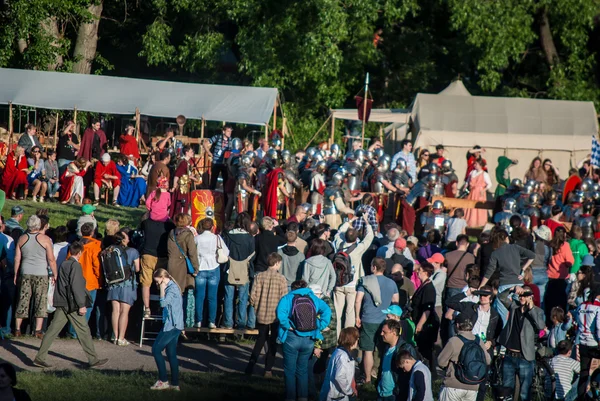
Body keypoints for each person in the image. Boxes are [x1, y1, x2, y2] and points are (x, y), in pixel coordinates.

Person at [33, 241, 108, 369]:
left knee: (52, 330)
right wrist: (81, 304)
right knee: (84, 331)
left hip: (62, 302)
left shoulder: (64, 264)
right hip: (72, 304)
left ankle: (40, 357)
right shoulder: (76, 266)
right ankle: (93, 359)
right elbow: (76, 287)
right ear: (79, 253)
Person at [276, 280, 331, 401]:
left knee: (290, 370)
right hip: (309, 338)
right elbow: (327, 311)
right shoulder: (313, 298)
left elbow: (280, 314)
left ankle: (290, 397)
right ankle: (303, 397)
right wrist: (320, 325)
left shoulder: (288, 298)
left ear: (293, 288)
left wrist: (288, 325)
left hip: (291, 336)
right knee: (303, 370)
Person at [497, 285, 546, 401]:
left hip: (525, 357)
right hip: (510, 355)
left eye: (525, 295)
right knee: (507, 390)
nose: (522, 297)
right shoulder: (514, 306)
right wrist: (512, 289)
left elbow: (540, 326)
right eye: (520, 295)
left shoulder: (538, 311)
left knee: (525, 392)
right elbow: (501, 297)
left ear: (531, 297)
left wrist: (531, 308)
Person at [355, 257, 399, 385]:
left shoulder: (365, 281)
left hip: (368, 319)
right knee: (382, 349)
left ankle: (367, 378)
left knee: (367, 350)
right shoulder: (392, 283)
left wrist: (357, 316)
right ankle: (381, 375)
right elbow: (396, 302)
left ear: (374, 267)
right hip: (385, 320)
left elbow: (358, 300)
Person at [13, 215, 58, 338]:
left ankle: (17, 329)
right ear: (39, 225)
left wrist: (16, 273)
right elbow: (51, 259)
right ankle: (38, 330)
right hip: (41, 273)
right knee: (41, 300)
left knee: (23, 300)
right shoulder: (45, 239)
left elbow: (17, 258)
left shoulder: (22, 238)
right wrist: (55, 273)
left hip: (25, 272)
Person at [480, 229, 535, 325]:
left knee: (503, 318)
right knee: (519, 314)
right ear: (506, 238)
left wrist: (481, 286)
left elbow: (489, 272)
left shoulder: (495, 253)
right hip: (519, 285)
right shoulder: (515, 248)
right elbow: (532, 255)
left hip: (505, 286)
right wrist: (523, 269)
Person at [246, 253, 288, 377]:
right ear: (276, 263)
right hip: (275, 316)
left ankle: (250, 366)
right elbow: (284, 299)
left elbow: (252, 296)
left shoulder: (259, 276)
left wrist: (256, 306)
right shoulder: (281, 279)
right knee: (273, 343)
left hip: (261, 313)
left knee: (260, 340)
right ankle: (268, 369)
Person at [333, 216, 374, 335]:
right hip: (352, 284)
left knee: (337, 311)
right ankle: (347, 338)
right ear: (356, 238)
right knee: (349, 312)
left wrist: (349, 221)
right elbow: (369, 237)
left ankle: (336, 338)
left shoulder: (338, 244)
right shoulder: (358, 248)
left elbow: (339, 232)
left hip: (338, 283)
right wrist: (367, 223)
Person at [437, 313, 491, 401]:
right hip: (473, 386)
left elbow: (441, 362)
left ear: (457, 325)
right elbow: (488, 360)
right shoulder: (478, 341)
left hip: (453, 385)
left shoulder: (454, 341)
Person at [150, 268, 184, 391]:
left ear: (163, 278)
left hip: (171, 325)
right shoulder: (175, 287)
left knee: (155, 350)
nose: (157, 284)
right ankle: (175, 384)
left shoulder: (171, 289)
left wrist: (162, 289)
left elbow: (163, 303)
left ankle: (163, 380)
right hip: (176, 325)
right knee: (171, 354)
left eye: (158, 282)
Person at [222, 212, 256, 329]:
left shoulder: (227, 236)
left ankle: (228, 323)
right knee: (243, 297)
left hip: (229, 269)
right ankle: (241, 323)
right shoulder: (250, 238)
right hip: (244, 270)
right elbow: (252, 255)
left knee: (228, 297)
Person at [194, 218, 228, 329]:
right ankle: (211, 321)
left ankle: (198, 320)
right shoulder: (217, 238)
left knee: (199, 296)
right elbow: (226, 252)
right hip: (214, 267)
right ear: (212, 227)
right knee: (212, 297)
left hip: (200, 267)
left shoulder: (197, 238)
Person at [107, 231, 140, 346]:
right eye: (127, 238)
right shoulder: (133, 251)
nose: (129, 239)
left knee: (115, 311)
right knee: (124, 312)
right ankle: (121, 338)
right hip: (127, 283)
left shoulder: (110, 250)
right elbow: (137, 269)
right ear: (123, 240)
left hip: (113, 283)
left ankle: (115, 337)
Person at [140, 216, 175, 318]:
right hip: (162, 256)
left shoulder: (146, 223)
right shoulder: (169, 225)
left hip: (148, 254)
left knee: (146, 283)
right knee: (163, 281)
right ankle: (163, 305)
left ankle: (147, 308)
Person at [410, 263, 439, 379]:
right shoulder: (423, 285)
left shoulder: (429, 288)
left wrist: (420, 324)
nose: (417, 272)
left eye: (420, 270)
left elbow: (427, 309)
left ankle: (431, 374)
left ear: (426, 272)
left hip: (426, 325)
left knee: (426, 350)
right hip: (420, 321)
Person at [574, 284, 600, 397]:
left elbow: (577, 322)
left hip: (583, 342)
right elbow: (599, 326)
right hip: (594, 342)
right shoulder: (598, 307)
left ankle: (581, 397)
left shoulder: (581, 306)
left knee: (584, 371)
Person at [320, 327, 359, 401]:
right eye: (357, 338)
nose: (358, 340)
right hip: (336, 396)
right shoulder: (342, 356)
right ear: (351, 340)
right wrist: (349, 391)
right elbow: (339, 376)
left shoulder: (341, 352)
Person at [546, 226, 574, 324]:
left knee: (551, 301)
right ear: (564, 234)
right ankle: (561, 322)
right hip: (561, 277)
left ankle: (550, 322)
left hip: (550, 276)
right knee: (561, 302)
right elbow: (570, 261)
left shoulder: (550, 244)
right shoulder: (565, 245)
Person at [464, 159, 492, 227]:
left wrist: (483, 190)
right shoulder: (472, 172)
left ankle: (479, 222)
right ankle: (469, 220)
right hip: (472, 192)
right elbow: (468, 181)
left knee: (478, 207)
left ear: (480, 165)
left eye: (476, 164)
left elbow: (490, 184)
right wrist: (465, 186)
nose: (474, 165)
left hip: (479, 192)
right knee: (470, 206)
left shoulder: (484, 174)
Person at [204, 125, 233, 190]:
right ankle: (211, 196)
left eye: (230, 132)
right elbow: (205, 144)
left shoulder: (231, 140)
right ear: (223, 131)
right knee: (213, 181)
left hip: (225, 164)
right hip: (216, 163)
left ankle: (225, 199)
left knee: (226, 183)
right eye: (228, 131)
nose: (229, 133)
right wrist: (209, 153)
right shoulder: (217, 137)